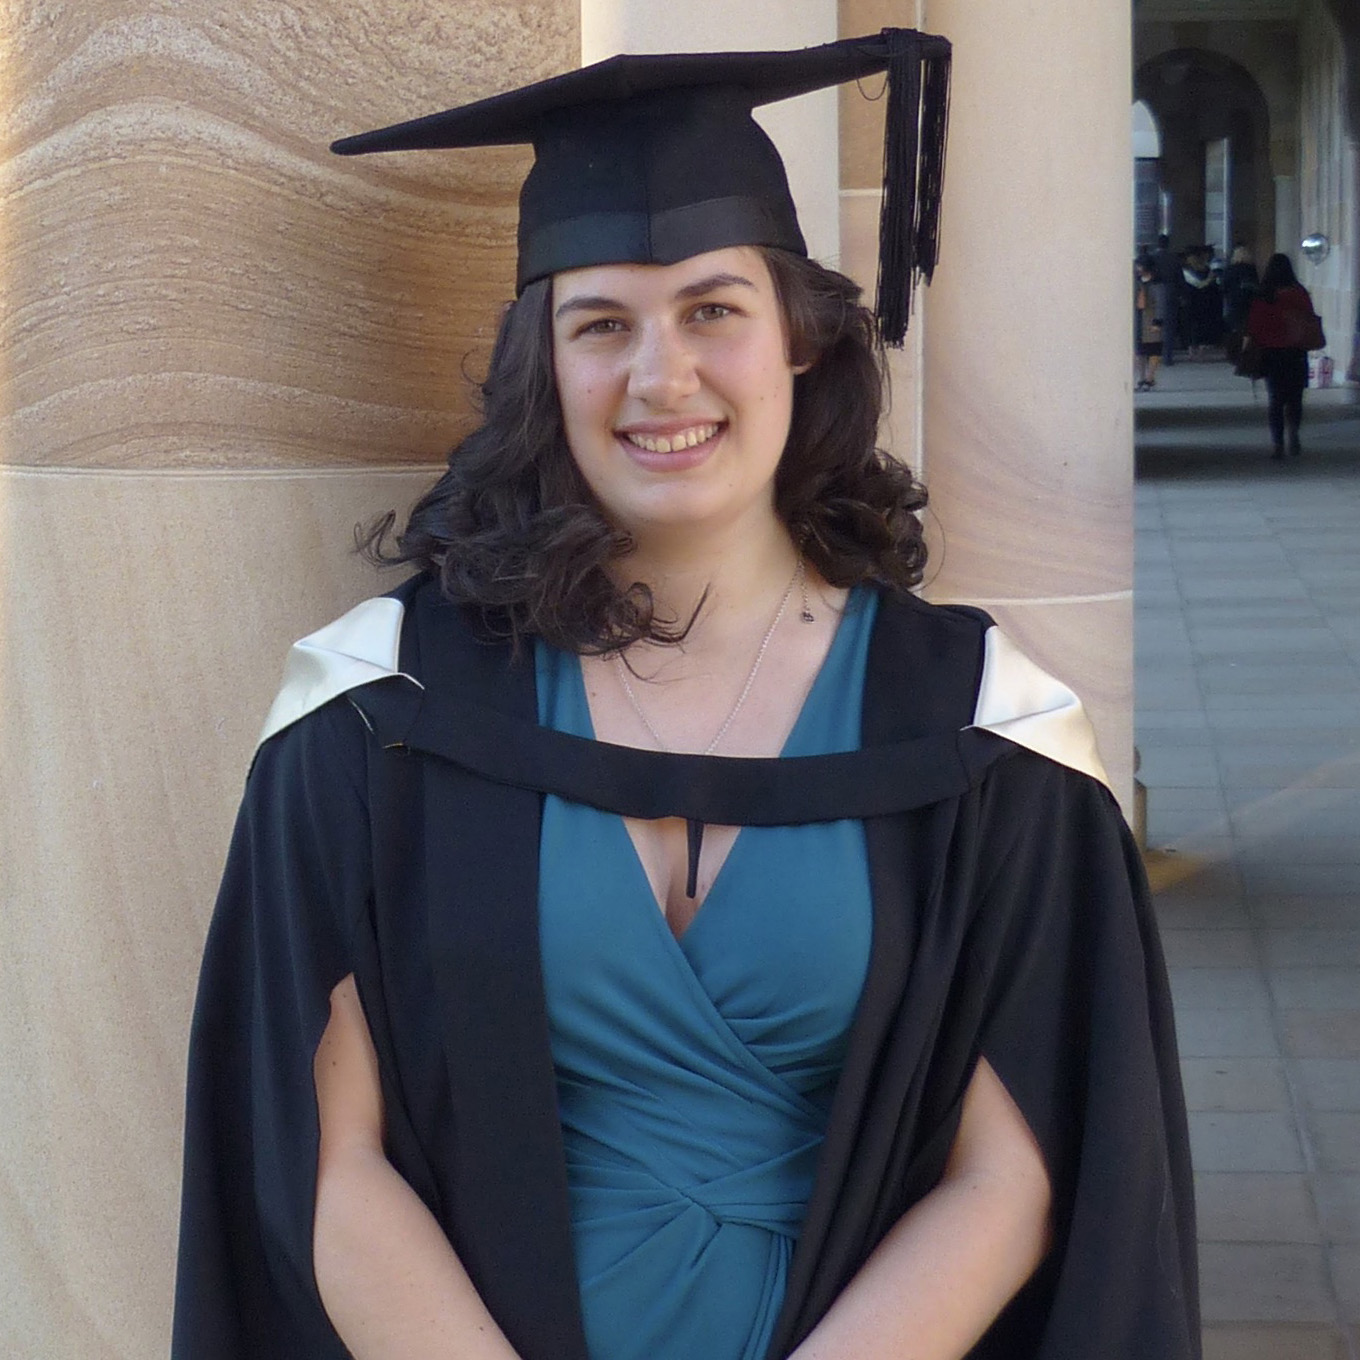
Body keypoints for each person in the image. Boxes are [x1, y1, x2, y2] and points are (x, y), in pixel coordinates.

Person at [172, 30, 1199, 1360]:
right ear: (545, 368)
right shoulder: (388, 715)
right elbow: (321, 1154)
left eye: (714, 309)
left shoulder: (970, 731)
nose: (662, 378)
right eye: (603, 324)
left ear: (805, 348)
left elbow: (1017, 1175)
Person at [1247, 252, 1325, 458]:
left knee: (1275, 399)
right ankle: (1294, 433)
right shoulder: (1299, 292)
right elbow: (1309, 317)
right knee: (1295, 397)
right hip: (1296, 351)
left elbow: (1255, 325)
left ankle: (1277, 443)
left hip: (1271, 353)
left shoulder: (1264, 294)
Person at [1151, 232, 1181, 366]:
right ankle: (1167, 358)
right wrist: (1183, 295)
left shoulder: (1151, 258)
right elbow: (1180, 279)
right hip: (1170, 293)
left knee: (1153, 325)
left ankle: (1152, 355)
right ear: (1168, 244)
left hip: (1153, 293)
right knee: (1169, 327)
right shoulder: (1174, 258)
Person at [1134, 254, 1164, 391]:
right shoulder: (1135, 282)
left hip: (1151, 317)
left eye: (1140, 265)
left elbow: (1160, 303)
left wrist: (1158, 320)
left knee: (1153, 349)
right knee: (1139, 351)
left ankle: (1149, 377)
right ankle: (1140, 378)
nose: (1137, 268)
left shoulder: (1157, 283)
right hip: (1138, 317)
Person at [1221, 243, 1259, 335]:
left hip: (1233, 299)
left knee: (1235, 323)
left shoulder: (1229, 269)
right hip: (1248, 300)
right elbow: (1256, 285)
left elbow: (1224, 286)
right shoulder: (1251, 269)